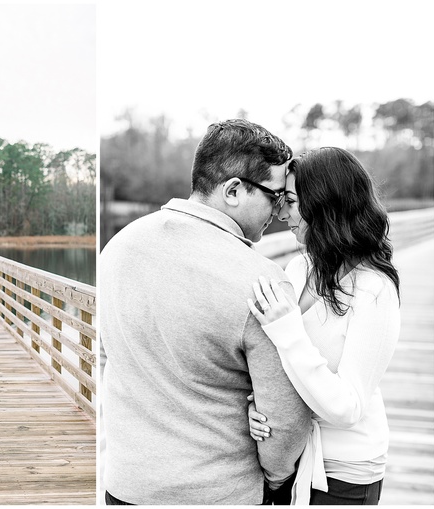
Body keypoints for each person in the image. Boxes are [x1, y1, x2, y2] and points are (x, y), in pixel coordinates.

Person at [100, 119, 311, 505]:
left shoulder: (117, 246)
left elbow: (107, 356)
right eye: (274, 196)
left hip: (125, 486)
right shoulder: (262, 282)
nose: (279, 211)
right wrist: (278, 479)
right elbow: (284, 416)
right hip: (219, 493)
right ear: (233, 190)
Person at [247, 147, 401, 505]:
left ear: (324, 204)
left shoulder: (375, 290)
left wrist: (286, 332)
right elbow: (284, 370)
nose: (282, 213)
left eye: (291, 201)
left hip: (345, 470)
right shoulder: (300, 269)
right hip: (290, 451)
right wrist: (259, 408)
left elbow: (348, 407)